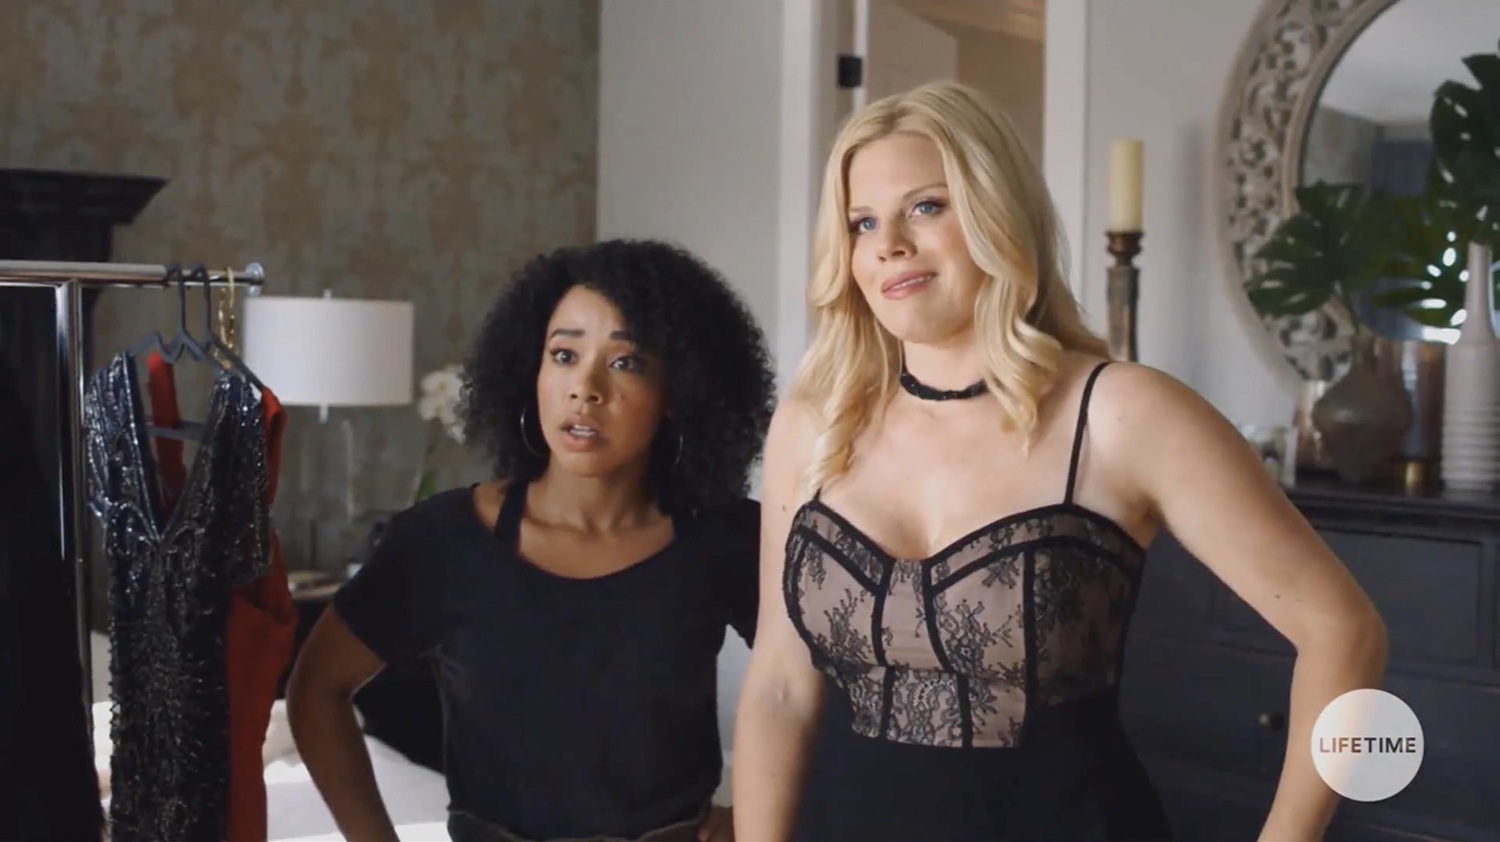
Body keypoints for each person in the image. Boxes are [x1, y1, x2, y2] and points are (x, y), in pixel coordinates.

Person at [731, 80, 1389, 841]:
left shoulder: (1121, 414)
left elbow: (1344, 630)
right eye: (862, 222)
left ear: (997, 212)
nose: (890, 245)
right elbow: (780, 686)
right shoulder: (815, 425)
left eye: (927, 206)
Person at [287, 239, 777, 842]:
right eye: (564, 355)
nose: (585, 388)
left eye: (626, 362)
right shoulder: (445, 540)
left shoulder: (725, 538)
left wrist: (758, 813)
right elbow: (318, 688)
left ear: (679, 391)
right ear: (531, 371)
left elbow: (823, 697)